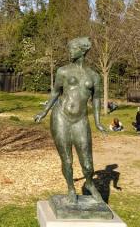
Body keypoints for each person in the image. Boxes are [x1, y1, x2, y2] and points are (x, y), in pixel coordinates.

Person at [34, 37, 106, 204]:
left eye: (73, 49)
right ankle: (71, 189)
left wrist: (98, 122)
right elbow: (55, 93)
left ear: (83, 50)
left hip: (80, 120)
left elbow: (96, 99)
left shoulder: (94, 76)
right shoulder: (63, 71)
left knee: (87, 163)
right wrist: (44, 112)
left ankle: (89, 183)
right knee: (67, 159)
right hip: (61, 117)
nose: (70, 51)